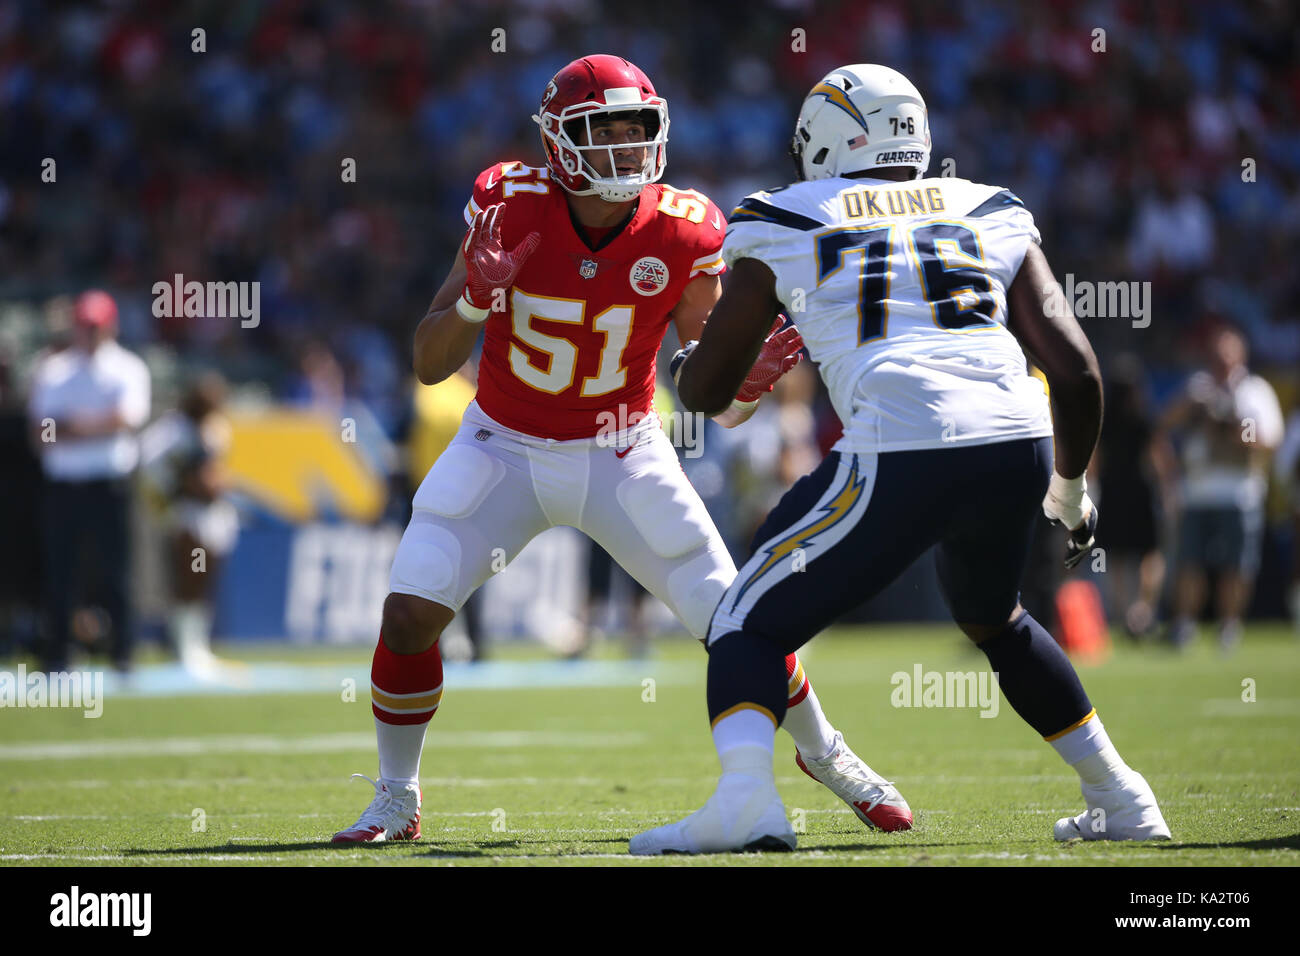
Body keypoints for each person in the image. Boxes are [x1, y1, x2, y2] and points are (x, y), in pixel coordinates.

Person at [332, 55, 911, 842]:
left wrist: (744, 386)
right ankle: (397, 797)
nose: (626, 148)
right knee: (407, 612)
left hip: (621, 448)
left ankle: (830, 755)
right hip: (501, 442)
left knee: (736, 619)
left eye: (637, 130)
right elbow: (430, 362)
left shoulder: (684, 227)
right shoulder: (509, 204)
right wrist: (475, 294)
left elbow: (712, 394)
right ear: (559, 142)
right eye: (603, 131)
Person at [632, 64, 1171, 854]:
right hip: (1017, 437)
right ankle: (1122, 796)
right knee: (997, 618)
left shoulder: (783, 213)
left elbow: (709, 390)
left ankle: (745, 801)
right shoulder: (988, 205)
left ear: (825, 139)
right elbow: (1078, 367)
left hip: (904, 441)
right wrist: (1067, 489)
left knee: (744, 622)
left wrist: (703, 363)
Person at [27, 290, 151, 674]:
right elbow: (41, 433)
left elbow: (127, 420)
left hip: (108, 483)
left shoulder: (128, 368)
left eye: (96, 326)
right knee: (60, 572)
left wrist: (73, 426)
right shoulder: (53, 370)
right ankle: (58, 654)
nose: (90, 333)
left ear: (110, 326)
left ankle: (123, 653)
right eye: (84, 326)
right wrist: (93, 424)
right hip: (65, 485)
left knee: (116, 572)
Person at [1160, 326, 1283, 650]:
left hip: (1239, 491)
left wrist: (1232, 425)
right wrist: (1193, 406)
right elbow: (1165, 423)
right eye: (1216, 352)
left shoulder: (1255, 391)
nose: (1221, 359)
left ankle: (1229, 627)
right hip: (1197, 490)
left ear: (1241, 355)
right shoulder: (1198, 387)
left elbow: (1269, 440)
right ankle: (1184, 625)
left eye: (1228, 352)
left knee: (1236, 565)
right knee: (1190, 562)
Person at [138, 372, 239, 676]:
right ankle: (184, 647)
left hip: (210, 515)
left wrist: (213, 483)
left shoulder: (216, 430)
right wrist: (175, 490)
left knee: (204, 579)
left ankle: (197, 646)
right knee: (188, 579)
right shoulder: (170, 433)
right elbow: (150, 468)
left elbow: (214, 471)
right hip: (184, 514)